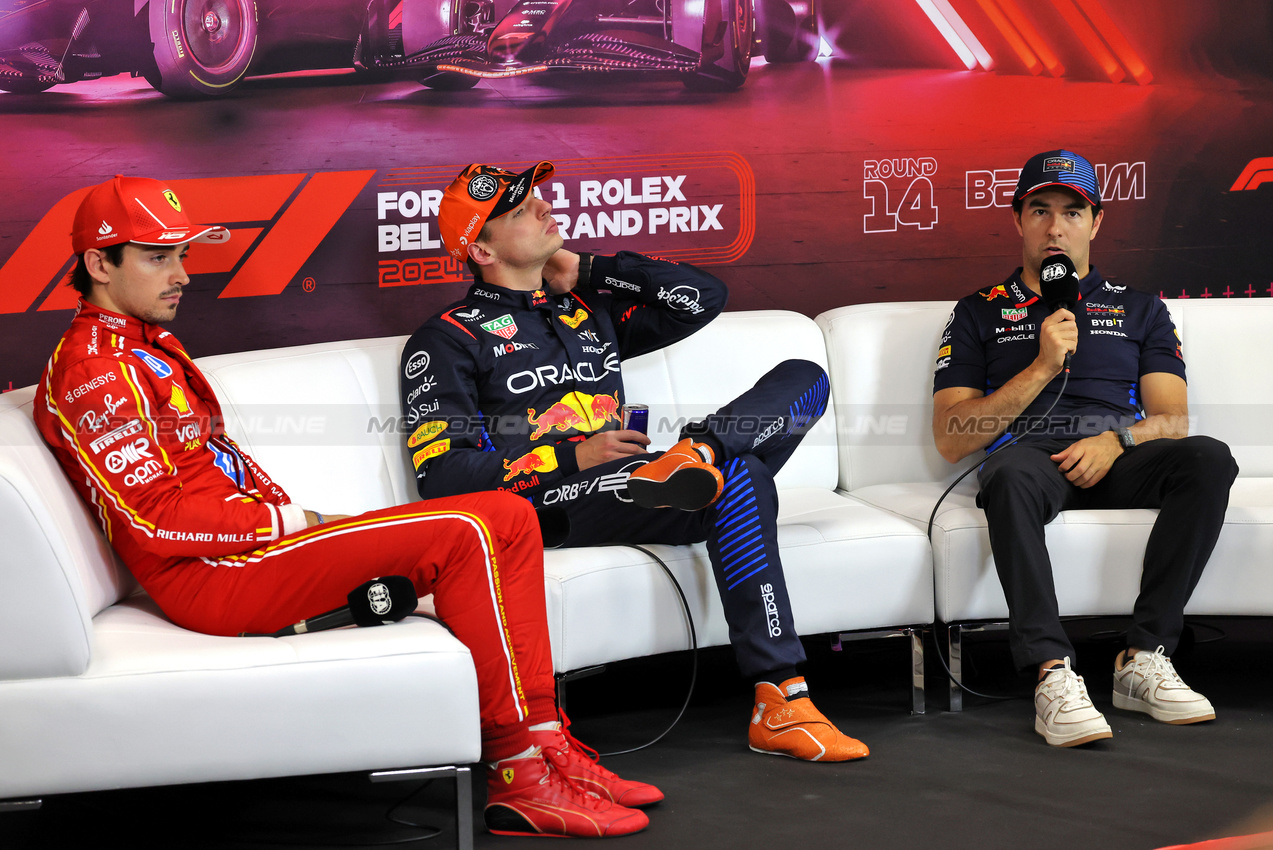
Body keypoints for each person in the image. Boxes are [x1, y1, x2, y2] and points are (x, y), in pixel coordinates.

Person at [35, 175, 662, 838]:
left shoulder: (139, 346)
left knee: (505, 514)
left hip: (246, 553)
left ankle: (547, 743)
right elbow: (156, 520)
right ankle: (520, 774)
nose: (182, 274)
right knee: (464, 530)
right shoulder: (96, 368)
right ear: (99, 264)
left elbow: (214, 471)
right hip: (213, 577)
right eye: (158, 257)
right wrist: (298, 521)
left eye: (183, 255)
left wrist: (296, 521)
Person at [399, 161, 868, 763]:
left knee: (804, 379)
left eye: (539, 199)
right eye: (520, 212)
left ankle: (698, 452)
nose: (544, 209)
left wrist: (594, 269)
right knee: (743, 479)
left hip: (641, 484)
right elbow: (442, 475)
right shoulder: (447, 339)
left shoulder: (585, 309)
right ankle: (781, 698)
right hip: (546, 504)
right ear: (482, 248)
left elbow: (705, 297)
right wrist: (572, 455)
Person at [931, 150, 1238, 747]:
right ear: (1018, 218)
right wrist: (1043, 365)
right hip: (1031, 458)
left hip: (1117, 454)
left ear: (1095, 222)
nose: (1055, 227)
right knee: (1008, 475)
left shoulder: (1139, 306)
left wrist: (1117, 440)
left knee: (1208, 457)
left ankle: (1144, 659)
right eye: (1040, 210)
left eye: (1072, 212)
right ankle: (1052, 673)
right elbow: (951, 439)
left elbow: (1172, 419)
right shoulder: (976, 311)